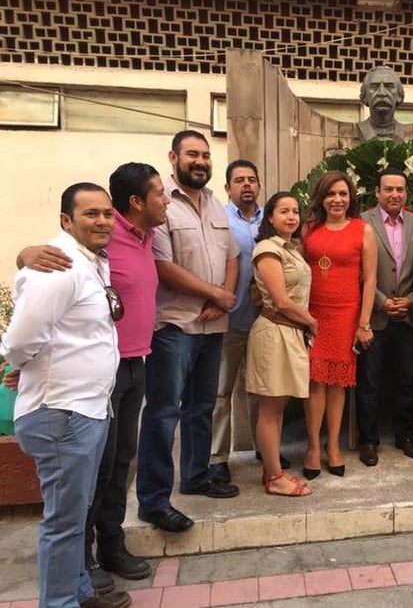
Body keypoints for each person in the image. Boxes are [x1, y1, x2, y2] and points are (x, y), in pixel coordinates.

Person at [16, 163, 170, 591]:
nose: (166, 199)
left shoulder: (142, 237)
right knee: (94, 472)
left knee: (121, 463)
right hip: (90, 383)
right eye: (160, 192)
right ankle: (80, 564)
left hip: (134, 363)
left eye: (104, 213)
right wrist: (24, 254)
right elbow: (40, 269)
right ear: (137, 202)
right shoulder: (91, 244)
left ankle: (111, 546)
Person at [1, 183, 130, 608]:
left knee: (77, 514)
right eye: (91, 214)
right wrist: (26, 365)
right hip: (62, 413)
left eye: (107, 214)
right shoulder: (58, 266)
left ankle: (77, 592)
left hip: (86, 408)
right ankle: (59, 603)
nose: (102, 221)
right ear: (66, 220)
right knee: (64, 521)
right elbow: (20, 341)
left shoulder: (90, 262)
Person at [137, 130, 240, 534]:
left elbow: (232, 255)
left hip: (213, 323)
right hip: (175, 325)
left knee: (203, 406)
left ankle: (196, 477)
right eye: (192, 154)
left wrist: (225, 297)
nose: (200, 161)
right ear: (174, 157)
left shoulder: (216, 204)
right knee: (164, 413)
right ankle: (153, 500)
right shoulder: (163, 206)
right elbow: (164, 267)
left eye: (205, 155)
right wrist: (215, 293)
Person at [302, 170, 377, 478]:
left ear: (351, 198)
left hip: (347, 314)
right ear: (322, 197)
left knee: (337, 383)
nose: (337, 199)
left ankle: (333, 445)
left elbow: (370, 279)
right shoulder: (309, 229)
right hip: (313, 315)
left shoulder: (363, 230)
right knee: (315, 380)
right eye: (331, 193)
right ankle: (313, 447)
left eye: (343, 194)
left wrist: (364, 323)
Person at [356, 168, 413, 467]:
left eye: (400, 189)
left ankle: (405, 436)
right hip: (374, 315)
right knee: (369, 382)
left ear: (406, 192)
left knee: (408, 380)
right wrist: (383, 302)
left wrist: (410, 300)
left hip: (408, 316)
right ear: (377, 192)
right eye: (388, 189)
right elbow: (357, 272)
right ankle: (369, 440)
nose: (394, 194)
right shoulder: (361, 222)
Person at [247, 192, 315, 496]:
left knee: (278, 407)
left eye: (295, 211)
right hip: (274, 332)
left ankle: (272, 470)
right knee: (271, 409)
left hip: (289, 333)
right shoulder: (267, 249)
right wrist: (312, 322)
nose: (291, 217)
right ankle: (275, 478)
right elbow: (281, 301)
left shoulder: (292, 249)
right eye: (284, 211)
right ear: (270, 218)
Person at [209, 159, 264, 485]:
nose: (247, 185)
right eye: (239, 180)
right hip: (228, 321)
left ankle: (263, 446)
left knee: (260, 390)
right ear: (228, 187)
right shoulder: (219, 220)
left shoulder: (269, 220)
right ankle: (217, 458)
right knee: (221, 392)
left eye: (252, 179)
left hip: (263, 322)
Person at [357, 66, 406, 142]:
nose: (382, 93)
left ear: (399, 95)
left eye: (389, 86)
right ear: (365, 96)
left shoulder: (408, 133)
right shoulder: (353, 131)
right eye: (374, 86)